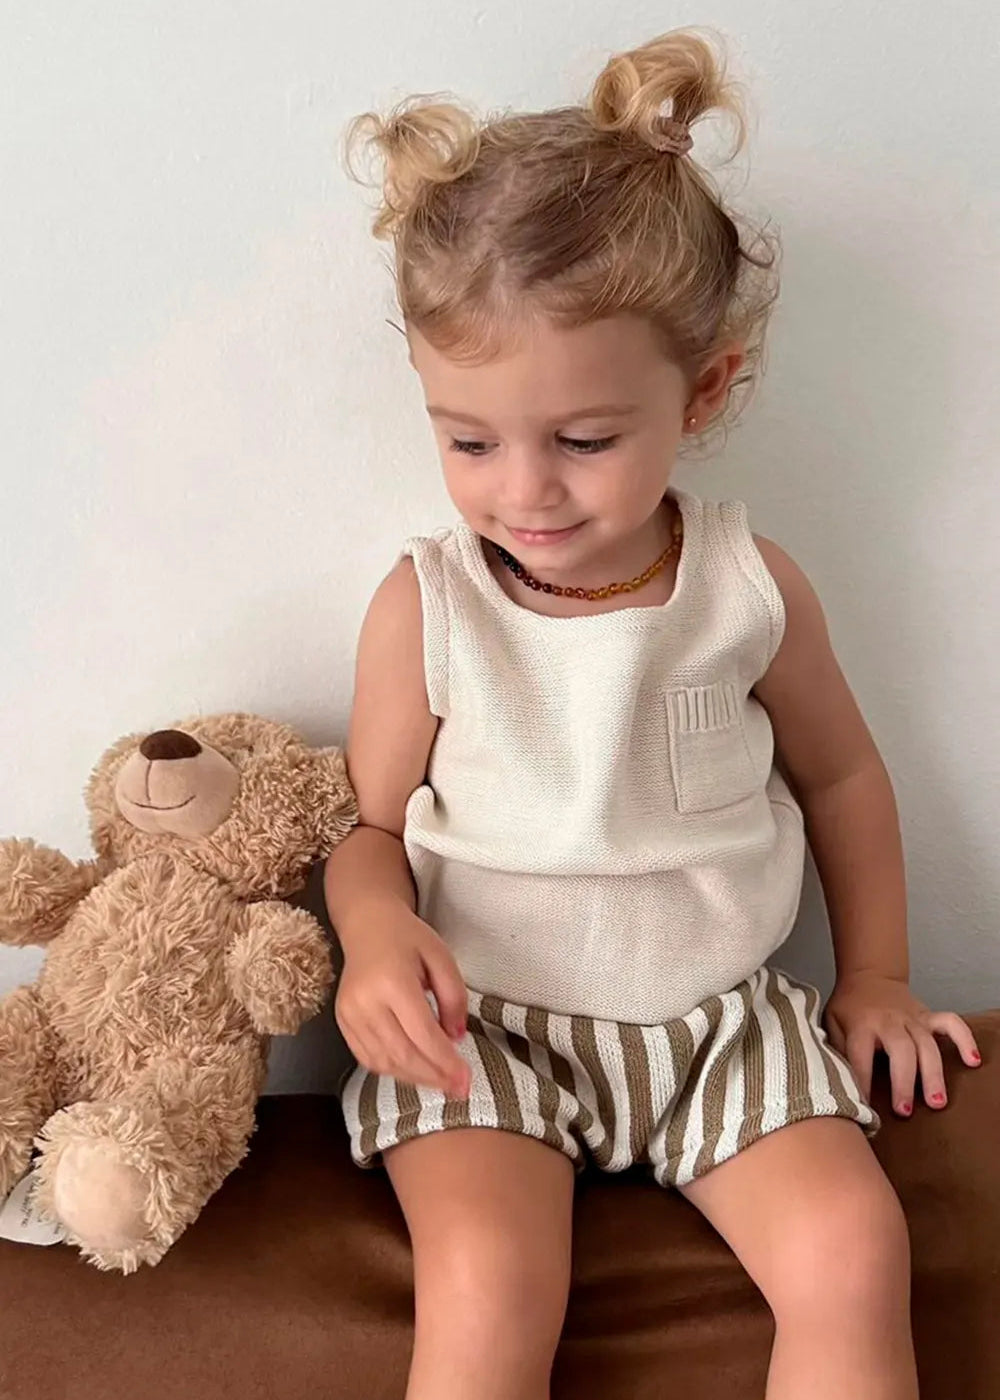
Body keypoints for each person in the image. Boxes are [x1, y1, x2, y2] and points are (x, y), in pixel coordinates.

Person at [324, 27, 981, 1400]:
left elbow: (846, 780)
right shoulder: (428, 606)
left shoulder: (748, 586)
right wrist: (376, 938)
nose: (526, 494)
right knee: (493, 1289)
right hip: (486, 1032)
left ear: (704, 393)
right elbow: (369, 829)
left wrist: (873, 976)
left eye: (581, 440)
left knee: (859, 1256)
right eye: (469, 440)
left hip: (721, 1028)